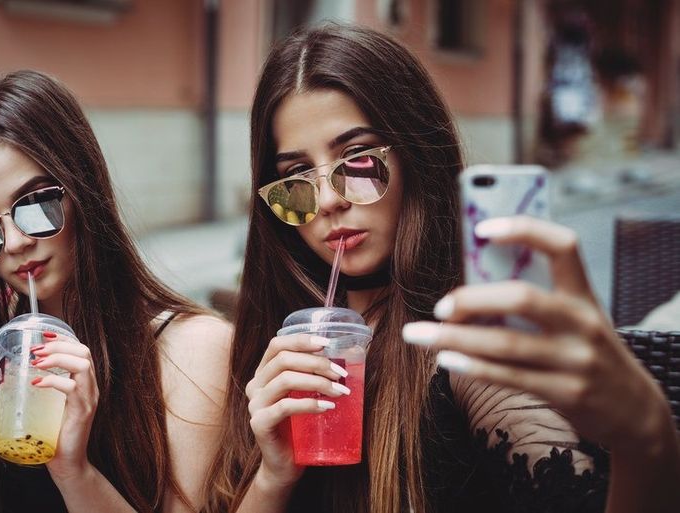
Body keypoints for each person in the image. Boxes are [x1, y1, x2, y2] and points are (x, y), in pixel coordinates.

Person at [202, 25, 680, 513]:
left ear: (415, 159)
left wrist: (646, 436)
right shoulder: (278, 347)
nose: (327, 200)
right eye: (295, 178)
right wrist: (272, 479)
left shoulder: (467, 357)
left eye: (359, 160)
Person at [0, 70, 231, 513]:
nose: (15, 243)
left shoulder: (191, 350)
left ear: (82, 189)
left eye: (35, 204)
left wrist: (72, 471)